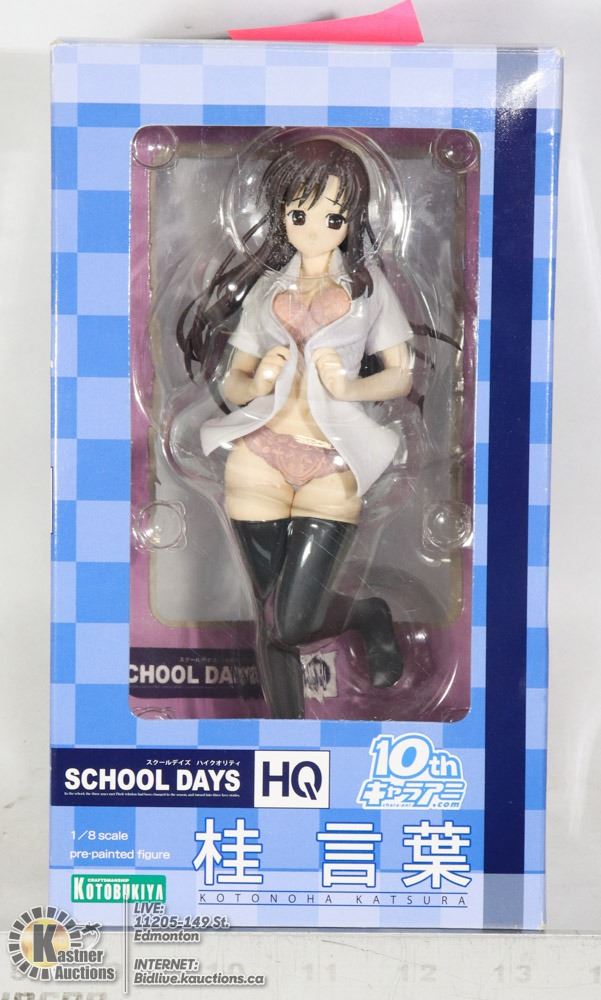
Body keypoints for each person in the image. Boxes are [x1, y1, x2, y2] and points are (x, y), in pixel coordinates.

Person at [177, 135, 413, 719]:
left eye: (332, 217)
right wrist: (257, 382)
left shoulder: (367, 290)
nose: (313, 229)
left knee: (292, 621)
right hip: (259, 455)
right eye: (299, 214)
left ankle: (365, 613)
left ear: (351, 220)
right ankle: (287, 730)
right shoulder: (267, 289)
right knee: (271, 619)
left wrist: (350, 388)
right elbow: (234, 381)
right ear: (282, 213)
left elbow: (400, 376)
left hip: (332, 459)